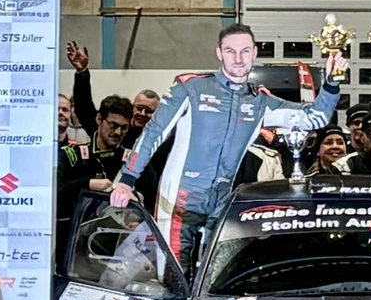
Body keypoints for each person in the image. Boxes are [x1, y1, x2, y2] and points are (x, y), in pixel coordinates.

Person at [110, 23, 346, 271]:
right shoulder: (190, 87)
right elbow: (153, 132)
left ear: (254, 53)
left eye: (245, 51)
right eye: (230, 51)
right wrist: (127, 180)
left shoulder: (260, 101)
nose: (238, 58)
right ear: (219, 53)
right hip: (178, 203)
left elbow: (315, 118)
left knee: (215, 280)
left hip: (221, 206)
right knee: (174, 277)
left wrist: (332, 83)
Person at [57, 95, 134, 263]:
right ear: (99, 119)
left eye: (124, 128)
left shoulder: (133, 162)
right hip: (74, 248)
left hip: (119, 251)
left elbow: (151, 199)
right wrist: (87, 184)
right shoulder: (72, 155)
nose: (118, 133)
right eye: (113, 125)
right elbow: (55, 193)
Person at [65, 40, 161, 148]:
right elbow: (84, 110)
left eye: (148, 111)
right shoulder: (106, 128)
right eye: (139, 108)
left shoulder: (161, 140)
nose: (142, 114)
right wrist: (82, 72)